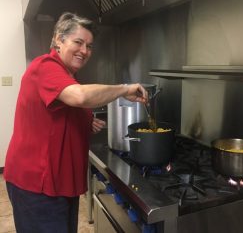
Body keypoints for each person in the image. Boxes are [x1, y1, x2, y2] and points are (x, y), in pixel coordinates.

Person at [3, 12, 148, 233]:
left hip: (59, 184)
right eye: (78, 42)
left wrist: (85, 120)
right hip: (38, 185)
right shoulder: (46, 66)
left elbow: (61, 110)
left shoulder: (65, 75)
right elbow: (79, 97)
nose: (84, 51)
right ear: (59, 40)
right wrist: (124, 89)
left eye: (89, 46)